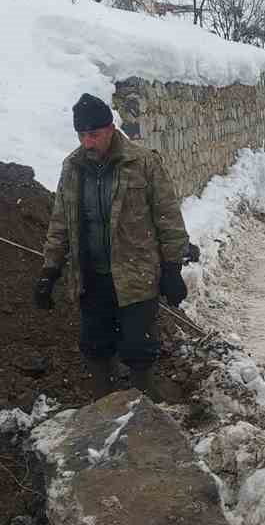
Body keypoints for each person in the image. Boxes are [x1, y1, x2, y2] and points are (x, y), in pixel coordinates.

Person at [33, 94, 191, 400]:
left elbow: (168, 217)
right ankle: (104, 401)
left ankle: (144, 401)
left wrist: (172, 269)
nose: (87, 142)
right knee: (95, 343)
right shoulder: (72, 168)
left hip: (136, 276)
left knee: (137, 345)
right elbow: (60, 223)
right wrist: (49, 270)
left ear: (110, 128)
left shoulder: (143, 162)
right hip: (92, 276)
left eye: (93, 134)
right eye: (81, 135)